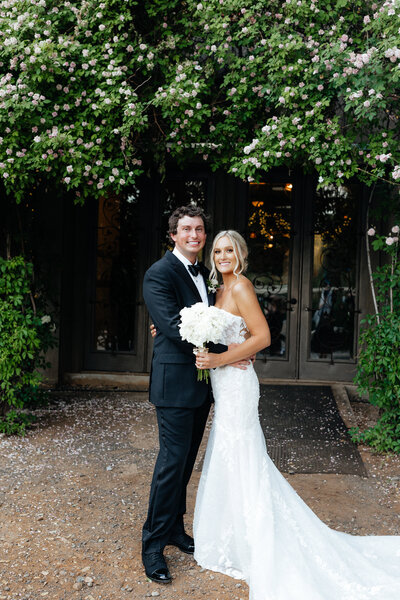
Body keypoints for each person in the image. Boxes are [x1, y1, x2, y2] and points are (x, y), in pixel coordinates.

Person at [194, 230, 400, 600]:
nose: (223, 256)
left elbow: (264, 336)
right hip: (224, 382)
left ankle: (254, 540)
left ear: (240, 254)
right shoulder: (218, 290)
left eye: (229, 250)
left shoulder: (240, 286)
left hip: (238, 384)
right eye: (218, 251)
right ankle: (232, 533)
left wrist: (220, 359)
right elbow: (231, 335)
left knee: (243, 454)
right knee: (230, 454)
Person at [141, 206, 251, 585]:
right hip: (174, 385)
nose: (194, 235)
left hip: (203, 385)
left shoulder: (205, 273)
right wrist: (227, 351)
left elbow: (209, 318)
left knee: (186, 462)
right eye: (186, 229)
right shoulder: (159, 273)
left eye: (199, 229)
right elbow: (173, 326)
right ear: (173, 234)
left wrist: (233, 348)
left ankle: (173, 528)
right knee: (171, 464)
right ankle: (152, 544)